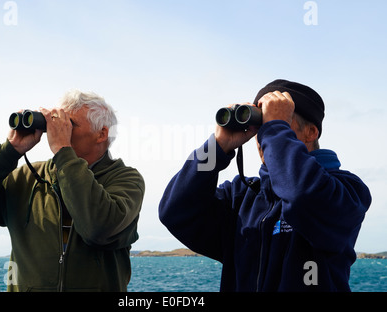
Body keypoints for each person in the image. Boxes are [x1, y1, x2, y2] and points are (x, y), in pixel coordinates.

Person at [159, 79, 371, 291]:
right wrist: (217, 147)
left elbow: (302, 196)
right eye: (261, 127)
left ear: (311, 132)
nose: (263, 138)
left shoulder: (348, 190)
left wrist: (274, 128)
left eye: (278, 125)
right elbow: (175, 211)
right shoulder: (240, 197)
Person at [0, 90, 145, 292]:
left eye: (70, 124)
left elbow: (98, 229)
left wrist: (63, 151)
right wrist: (9, 150)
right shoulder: (26, 178)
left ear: (102, 134)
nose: (58, 129)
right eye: (56, 122)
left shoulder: (126, 180)